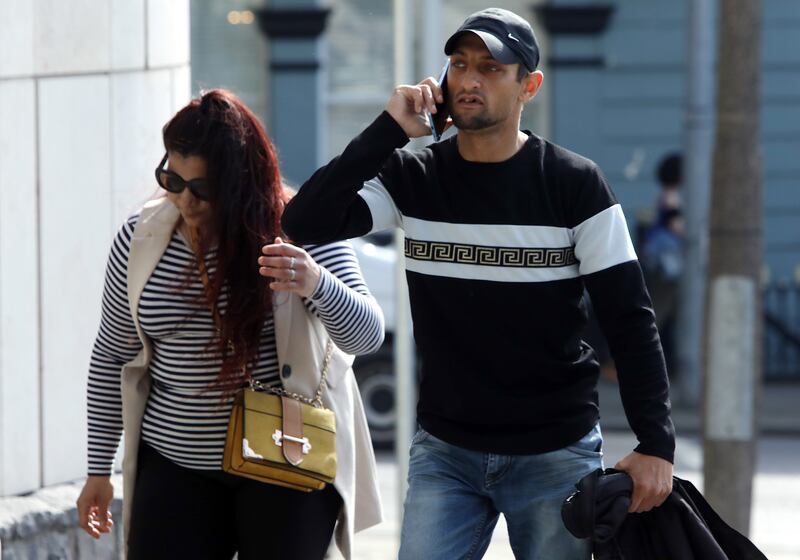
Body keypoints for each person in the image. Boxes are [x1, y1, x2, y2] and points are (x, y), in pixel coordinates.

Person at [282, 8, 675, 560]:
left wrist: (656, 444)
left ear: (528, 86)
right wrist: (389, 129)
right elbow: (304, 222)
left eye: (491, 68)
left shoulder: (574, 185)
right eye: (459, 65)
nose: (468, 80)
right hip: (445, 451)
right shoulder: (413, 178)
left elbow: (630, 318)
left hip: (554, 453)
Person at [75, 89, 383, 560]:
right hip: (174, 465)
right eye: (172, 179)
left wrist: (315, 281)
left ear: (242, 182)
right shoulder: (139, 239)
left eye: (203, 189)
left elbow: (366, 334)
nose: (185, 200)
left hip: (284, 457)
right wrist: (99, 469)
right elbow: (112, 355)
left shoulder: (299, 227)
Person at [641, 153, 684, 375]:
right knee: (660, 312)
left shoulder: (664, 195)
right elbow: (676, 226)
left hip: (662, 262)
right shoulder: (672, 197)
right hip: (667, 265)